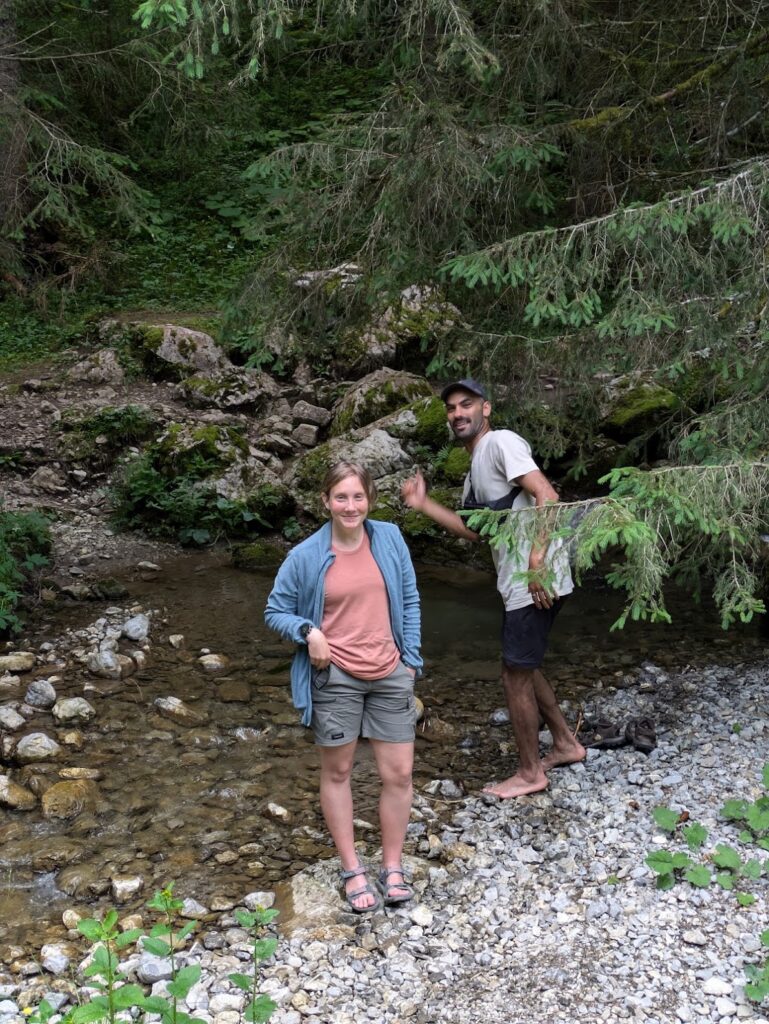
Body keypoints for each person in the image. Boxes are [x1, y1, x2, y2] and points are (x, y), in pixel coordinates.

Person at [401, 379, 585, 799]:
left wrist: (537, 561)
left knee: (513, 674)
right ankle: (564, 743)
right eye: (451, 408)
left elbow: (547, 495)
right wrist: (424, 505)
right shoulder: (475, 471)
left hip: (534, 578)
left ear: (487, 409)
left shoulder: (500, 442)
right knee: (525, 663)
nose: (458, 413)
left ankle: (530, 772)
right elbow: (473, 532)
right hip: (519, 580)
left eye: (467, 405)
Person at [265, 460, 422, 913]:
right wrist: (309, 632)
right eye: (341, 498)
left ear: (369, 499)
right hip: (336, 677)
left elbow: (409, 598)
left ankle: (392, 867)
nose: (350, 506)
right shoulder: (305, 556)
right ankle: (353, 868)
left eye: (358, 497)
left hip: (390, 671)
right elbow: (275, 611)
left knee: (400, 774)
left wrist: (410, 660)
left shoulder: (389, 538)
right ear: (326, 501)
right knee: (338, 772)